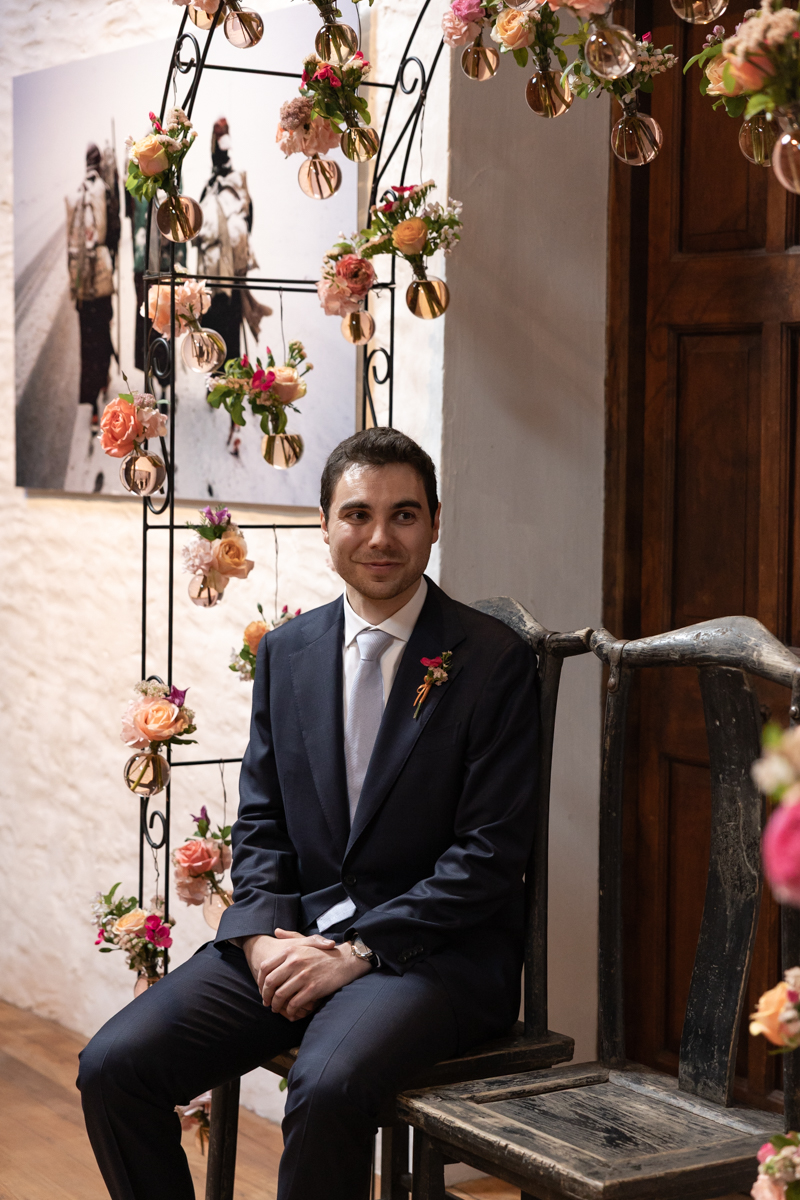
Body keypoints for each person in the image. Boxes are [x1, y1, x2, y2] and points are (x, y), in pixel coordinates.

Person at [78, 427, 539, 1200]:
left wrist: (356, 950)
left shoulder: (493, 661)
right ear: (325, 525)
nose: (380, 537)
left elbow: (488, 856)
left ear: (434, 522)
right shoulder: (287, 651)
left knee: (323, 1090)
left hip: (433, 957)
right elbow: (260, 823)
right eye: (358, 514)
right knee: (113, 1067)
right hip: (293, 936)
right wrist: (260, 937)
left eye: (404, 514)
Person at [195, 117, 271, 359]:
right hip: (211, 283)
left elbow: (246, 227)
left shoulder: (236, 185)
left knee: (228, 349)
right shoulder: (209, 188)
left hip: (230, 283)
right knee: (212, 349)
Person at [66, 143, 120, 429]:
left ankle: (92, 408)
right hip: (101, 279)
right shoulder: (105, 191)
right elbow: (114, 232)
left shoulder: (77, 194)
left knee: (87, 342)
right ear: (99, 165)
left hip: (82, 284)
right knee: (103, 331)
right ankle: (104, 382)